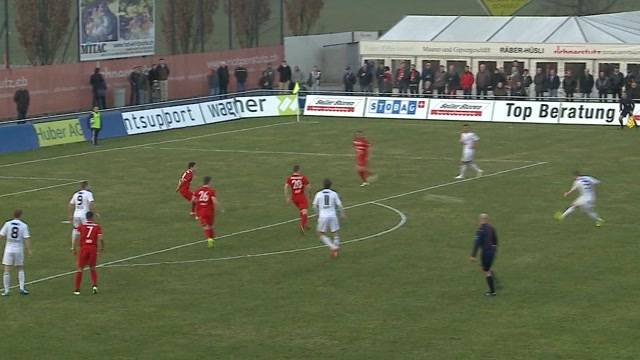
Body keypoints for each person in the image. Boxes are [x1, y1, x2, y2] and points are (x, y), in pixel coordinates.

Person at [1, 209, 32, 296]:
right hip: (18, 248)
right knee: (20, 268)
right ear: (21, 215)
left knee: (7, 269)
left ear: (13, 215)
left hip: (8, 249)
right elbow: (26, 238)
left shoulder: (7, 224)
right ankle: (22, 288)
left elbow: (1, 235)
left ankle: (6, 290)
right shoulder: (23, 225)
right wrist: (28, 249)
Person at [312, 179, 345, 258]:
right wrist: (342, 213)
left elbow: (314, 206)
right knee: (335, 233)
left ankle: (333, 247)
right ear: (330, 185)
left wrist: (317, 214)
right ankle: (335, 251)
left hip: (323, 216)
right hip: (333, 215)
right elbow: (340, 205)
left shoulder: (319, 194)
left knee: (320, 233)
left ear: (323, 185)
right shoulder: (334, 193)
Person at [72, 211, 103, 295]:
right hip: (92, 248)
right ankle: (94, 286)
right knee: (92, 268)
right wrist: (100, 250)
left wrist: (74, 248)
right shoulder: (97, 227)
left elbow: (76, 238)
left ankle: (77, 290)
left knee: (79, 269)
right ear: (92, 217)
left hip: (83, 248)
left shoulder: (81, 226)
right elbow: (100, 239)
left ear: (86, 217)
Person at [469, 213, 498, 297]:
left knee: (486, 271)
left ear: (481, 220)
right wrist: (494, 250)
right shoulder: (492, 228)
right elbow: (495, 241)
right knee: (485, 269)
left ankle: (492, 292)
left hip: (485, 253)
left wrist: (473, 256)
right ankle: (491, 279)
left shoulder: (480, 230)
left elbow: (476, 244)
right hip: (492, 252)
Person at [192, 176, 220, 249]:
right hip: (210, 211)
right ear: (209, 182)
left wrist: (198, 204)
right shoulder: (211, 191)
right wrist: (217, 208)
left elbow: (193, 200)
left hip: (201, 211)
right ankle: (212, 239)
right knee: (210, 226)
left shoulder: (198, 190)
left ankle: (210, 239)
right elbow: (214, 201)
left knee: (205, 227)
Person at [68, 181, 97, 250]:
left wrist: (70, 215)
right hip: (85, 215)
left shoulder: (76, 194)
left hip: (76, 214)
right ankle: (87, 245)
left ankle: (73, 247)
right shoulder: (89, 193)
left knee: (75, 230)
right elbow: (91, 203)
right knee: (88, 229)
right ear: (86, 186)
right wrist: (94, 213)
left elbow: (70, 204)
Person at [284, 165, 310, 233]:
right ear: (298, 170)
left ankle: (306, 224)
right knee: (304, 211)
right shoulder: (303, 177)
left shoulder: (289, 178)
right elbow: (309, 187)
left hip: (294, 198)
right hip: (301, 196)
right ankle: (302, 225)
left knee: (302, 210)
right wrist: (309, 194)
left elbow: (286, 187)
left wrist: (287, 197)